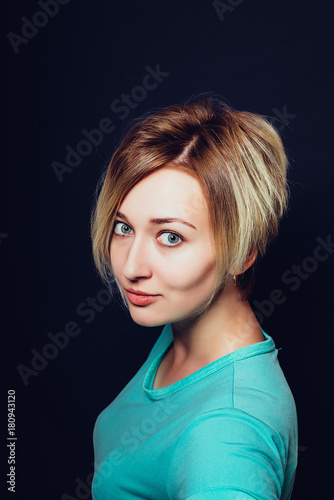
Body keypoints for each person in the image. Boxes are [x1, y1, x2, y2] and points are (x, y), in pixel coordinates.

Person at [90, 97, 298, 499]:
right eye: (123, 227)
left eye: (171, 237)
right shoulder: (183, 329)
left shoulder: (227, 432)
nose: (132, 266)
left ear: (244, 252)